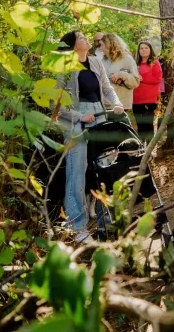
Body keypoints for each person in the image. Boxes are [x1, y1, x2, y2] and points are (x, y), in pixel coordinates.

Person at [54, 30, 122, 243]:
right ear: (73, 45)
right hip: (76, 121)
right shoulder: (64, 68)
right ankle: (77, 227)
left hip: (99, 114)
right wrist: (79, 116)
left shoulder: (95, 62)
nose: (86, 39)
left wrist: (117, 103)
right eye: (81, 37)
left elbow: (107, 89)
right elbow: (56, 103)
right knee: (77, 171)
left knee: (105, 167)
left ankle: (107, 220)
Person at [97, 33, 140, 116]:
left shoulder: (127, 59)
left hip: (121, 105)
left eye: (102, 45)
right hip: (105, 104)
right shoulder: (103, 60)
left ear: (110, 45)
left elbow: (135, 82)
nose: (100, 48)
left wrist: (121, 74)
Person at [131, 41, 163, 142]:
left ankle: (149, 148)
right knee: (140, 126)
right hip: (136, 99)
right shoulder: (135, 64)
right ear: (138, 51)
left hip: (149, 99)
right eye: (141, 48)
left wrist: (142, 78)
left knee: (148, 125)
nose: (143, 50)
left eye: (146, 48)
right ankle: (142, 149)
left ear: (150, 50)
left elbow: (158, 79)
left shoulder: (154, 63)